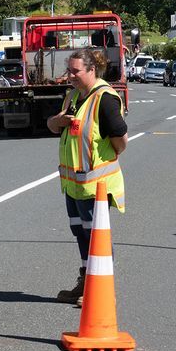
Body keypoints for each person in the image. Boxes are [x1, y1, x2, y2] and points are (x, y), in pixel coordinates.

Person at [47, 48, 127, 304]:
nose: (69, 76)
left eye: (75, 71)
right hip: (73, 185)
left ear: (92, 70)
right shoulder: (73, 96)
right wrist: (57, 121)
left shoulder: (105, 99)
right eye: (68, 70)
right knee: (81, 235)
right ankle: (85, 282)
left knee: (97, 238)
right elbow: (54, 126)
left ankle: (102, 291)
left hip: (95, 185)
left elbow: (120, 140)